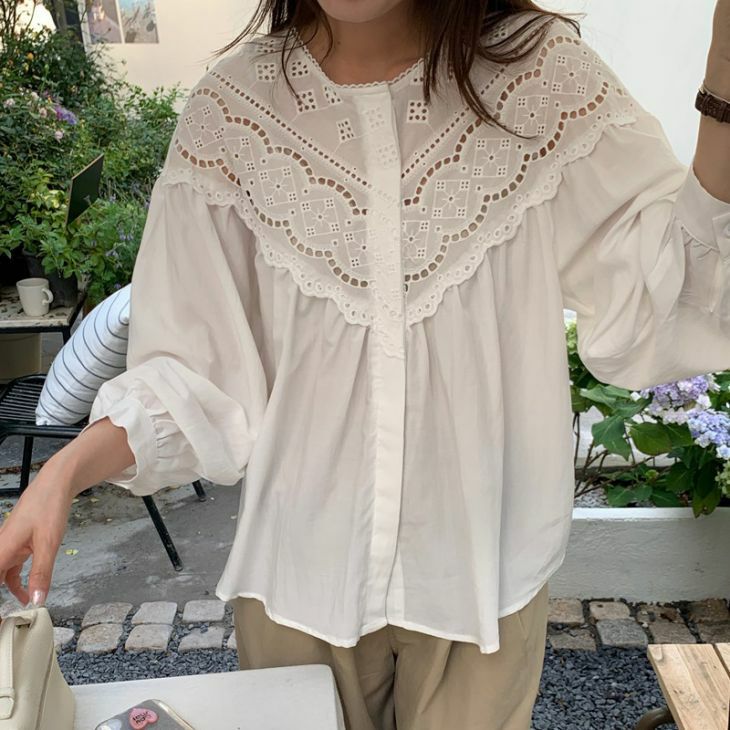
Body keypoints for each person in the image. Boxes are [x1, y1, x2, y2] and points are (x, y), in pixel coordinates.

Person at [2, 1, 730, 728]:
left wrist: (725, 79)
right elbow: (193, 374)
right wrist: (64, 472)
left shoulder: (542, 76)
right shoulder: (231, 111)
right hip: (297, 585)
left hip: (485, 579)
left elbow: (676, 289)